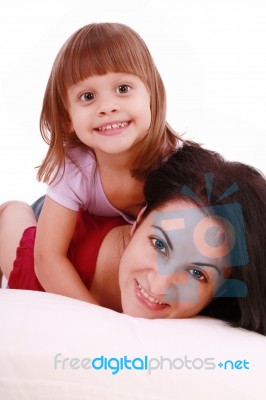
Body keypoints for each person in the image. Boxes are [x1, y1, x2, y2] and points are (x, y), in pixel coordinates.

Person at [1, 144, 266, 335]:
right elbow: (10, 211)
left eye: (197, 273)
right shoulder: (41, 267)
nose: (160, 284)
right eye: (159, 244)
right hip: (50, 217)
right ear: (138, 221)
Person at [34, 22, 182, 303]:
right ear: (68, 117)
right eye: (88, 96)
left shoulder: (173, 162)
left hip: (105, 238)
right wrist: (95, 318)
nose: (107, 106)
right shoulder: (73, 168)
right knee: (15, 223)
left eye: (123, 88)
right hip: (60, 214)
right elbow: (46, 257)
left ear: (151, 95)